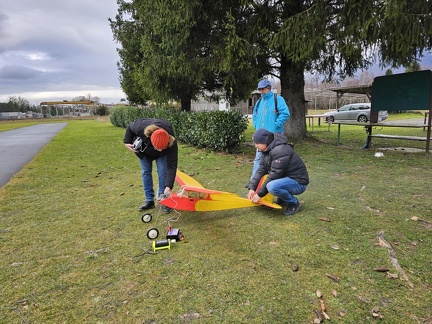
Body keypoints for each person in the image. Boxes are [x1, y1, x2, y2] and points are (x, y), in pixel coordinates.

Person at [246, 128, 309, 216]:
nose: (255, 146)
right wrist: (252, 188)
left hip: (299, 183)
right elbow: (261, 170)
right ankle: (284, 199)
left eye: (257, 143)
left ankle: (293, 203)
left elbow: (274, 174)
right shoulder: (267, 149)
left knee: (272, 186)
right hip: (287, 179)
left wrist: (259, 194)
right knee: (266, 179)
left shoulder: (280, 151)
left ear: (265, 141)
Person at [123, 118, 178, 214]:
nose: (159, 150)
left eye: (163, 147)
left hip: (162, 156)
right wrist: (126, 141)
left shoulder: (172, 142)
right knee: (146, 172)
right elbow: (130, 126)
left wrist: (168, 186)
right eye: (157, 148)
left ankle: (164, 201)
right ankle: (149, 200)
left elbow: (172, 166)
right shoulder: (141, 128)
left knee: (163, 173)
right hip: (144, 151)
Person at [251, 79, 290, 178]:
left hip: (274, 136)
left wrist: (275, 124)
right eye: (259, 89)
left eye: (262, 89)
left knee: (275, 158)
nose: (261, 91)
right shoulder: (259, 101)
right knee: (259, 158)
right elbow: (255, 114)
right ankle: (254, 182)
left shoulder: (278, 99)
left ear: (268, 88)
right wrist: (256, 125)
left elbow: (285, 113)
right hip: (261, 137)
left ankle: (274, 180)